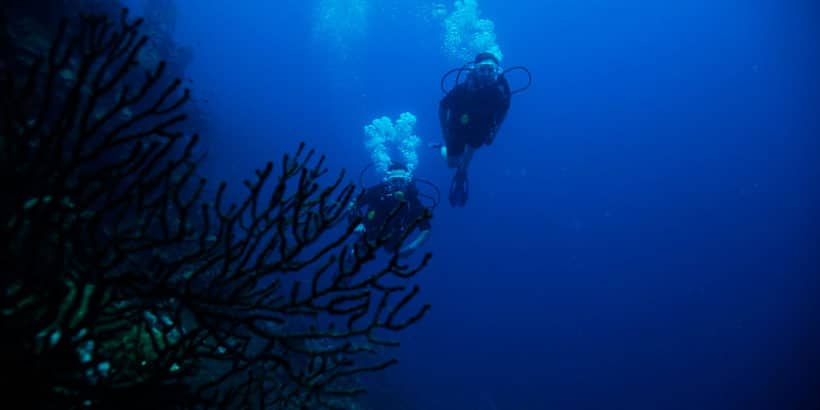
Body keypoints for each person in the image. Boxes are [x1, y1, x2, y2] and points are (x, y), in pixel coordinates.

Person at [437, 52, 512, 207]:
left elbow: (504, 111)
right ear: (475, 70)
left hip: (480, 129)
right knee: (452, 163)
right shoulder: (463, 90)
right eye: (482, 69)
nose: (486, 74)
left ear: (497, 70)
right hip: (457, 129)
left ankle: (462, 173)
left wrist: (495, 133)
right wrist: (445, 133)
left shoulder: (501, 90)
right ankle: (442, 149)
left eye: (490, 69)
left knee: (469, 155)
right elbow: (442, 107)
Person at [347, 162, 432, 259]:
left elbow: (426, 228)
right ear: (388, 181)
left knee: (390, 249)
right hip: (369, 231)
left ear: (407, 181)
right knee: (357, 254)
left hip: (393, 238)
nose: (398, 185)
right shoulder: (377, 191)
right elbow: (353, 204)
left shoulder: (412, 199)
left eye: (401, 181)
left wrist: (413, 247)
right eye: (394, 181)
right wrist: (356, 223)